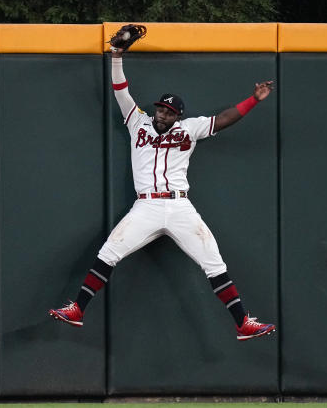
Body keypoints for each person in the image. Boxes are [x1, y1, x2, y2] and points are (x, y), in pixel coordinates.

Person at [49, 46, 276, 341]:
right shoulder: (137, 122)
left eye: (168, 112)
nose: (162, 114)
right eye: (160, 108)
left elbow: (223, 119)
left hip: (180, 206)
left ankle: (242, 323)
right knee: (108, 252)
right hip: (146, 208)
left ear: (177, 115)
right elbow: (120, 90)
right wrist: (116, 56)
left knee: (214, 262)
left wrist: (253, 101)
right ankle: (78, 310)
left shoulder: (188, 129)